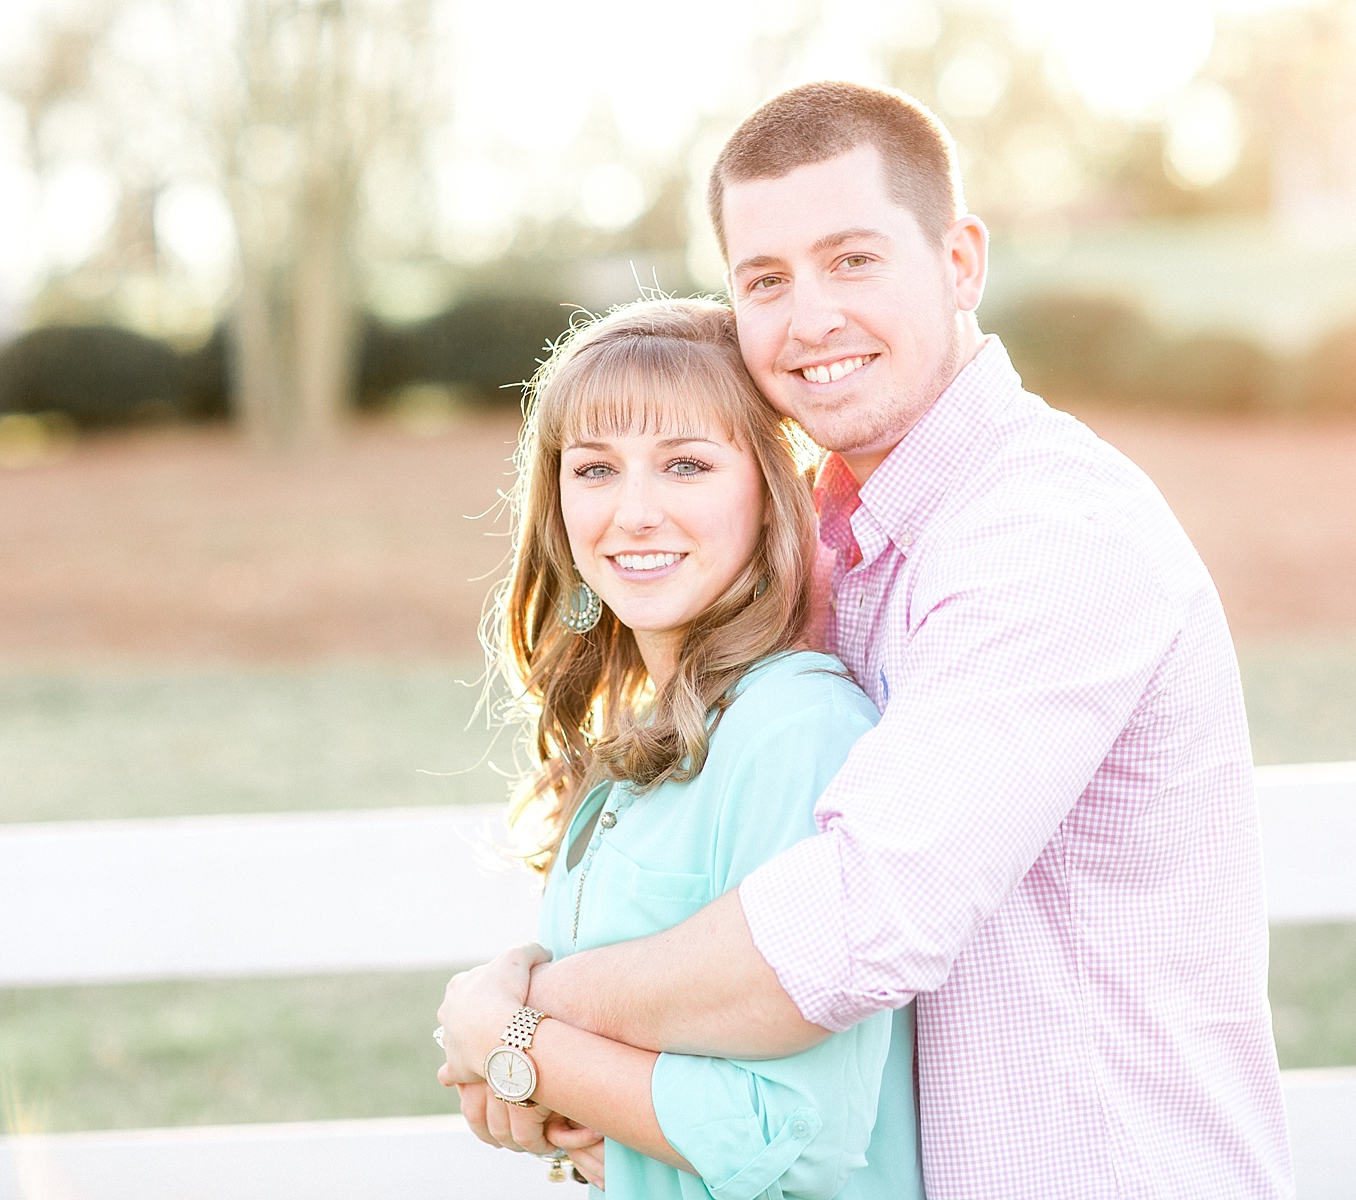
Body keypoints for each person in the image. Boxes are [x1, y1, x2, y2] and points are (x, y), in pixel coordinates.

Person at [441, 81, 1294, 1199]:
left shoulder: (1047, 534)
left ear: (959, 262)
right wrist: (602, 1098)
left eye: (852, 260)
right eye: (765, 280)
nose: (810, 320)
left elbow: (859, 923)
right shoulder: (831, 551)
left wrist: (521, 1019)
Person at [435, 297, 923, 1198]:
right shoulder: (630, 743)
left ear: (769, 491)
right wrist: (546, 1097)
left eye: (686, 465)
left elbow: (793, 1138)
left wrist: (507, 1038)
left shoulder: (798, 731)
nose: (634, 514)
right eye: (595, 469)